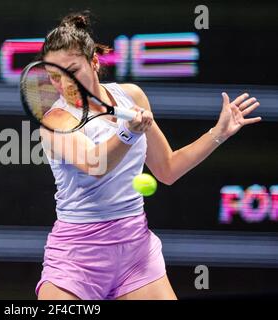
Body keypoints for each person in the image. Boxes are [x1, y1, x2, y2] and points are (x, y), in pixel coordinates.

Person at [35, 12, 262, 300]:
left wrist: (219, 133)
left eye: (72, 71)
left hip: (135, 253)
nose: (64, 84)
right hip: (76, 259)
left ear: (94, 62)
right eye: (55, 76)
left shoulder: (132, 97)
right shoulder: (55, 120)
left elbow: (168, 169)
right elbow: (94, 164)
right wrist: (127, 134)